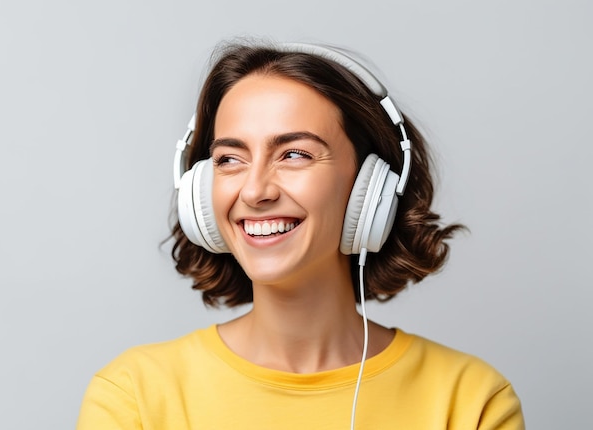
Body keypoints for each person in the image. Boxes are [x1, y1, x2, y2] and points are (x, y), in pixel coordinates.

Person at [77, 40, 524, 429]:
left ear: (371, 189)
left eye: (293, 154)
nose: (254, 191)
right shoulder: (133, 395)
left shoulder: (469, 401)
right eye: (230, 159)